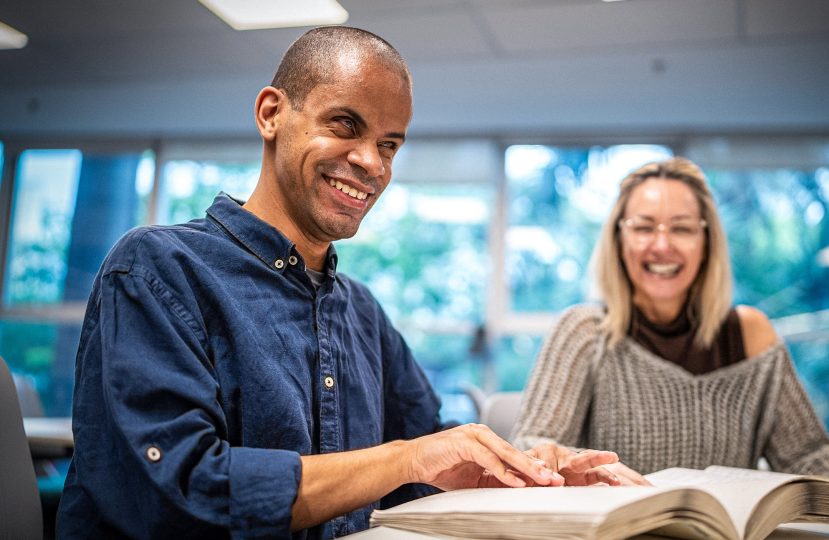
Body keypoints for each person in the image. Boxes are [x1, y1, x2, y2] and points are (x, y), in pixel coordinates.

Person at [56, 26, 620, 539]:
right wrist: (403, 458)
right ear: (272, 113)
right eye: (345, 125)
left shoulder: (361, 312)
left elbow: (427, 463)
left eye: (389, 145)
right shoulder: (158, 268)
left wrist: (518, 471)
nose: (372, 163)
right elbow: (175, 494)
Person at [512, 157, 829, 516]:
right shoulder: (584, 331)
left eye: (682, 228)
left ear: (706, 240)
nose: (661, 244)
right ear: (619, 239)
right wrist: (574, 464)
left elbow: (805, 454)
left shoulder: (751, 334)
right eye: (643, 227)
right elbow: (534, 445)